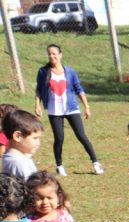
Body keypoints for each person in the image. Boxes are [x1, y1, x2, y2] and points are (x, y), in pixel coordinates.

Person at [34, 44, 102, 176]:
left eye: (54, 53)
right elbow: (39, 90)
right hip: (54, 111)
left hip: (71, 108)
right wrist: (37, 105)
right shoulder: (43, 72)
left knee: (81, 136)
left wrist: (86, 107)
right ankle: (59, 166)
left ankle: (96, 163)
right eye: (49, 54)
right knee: (59, 138)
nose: (51, 56)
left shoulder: (69, 71)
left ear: (60, 55)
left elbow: (79, 89)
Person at [1, 109, 42, 180]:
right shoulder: (18, 163)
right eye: (35, 138)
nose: (38, 143)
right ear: (17, 136)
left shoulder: (14, 156)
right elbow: (32, 188)